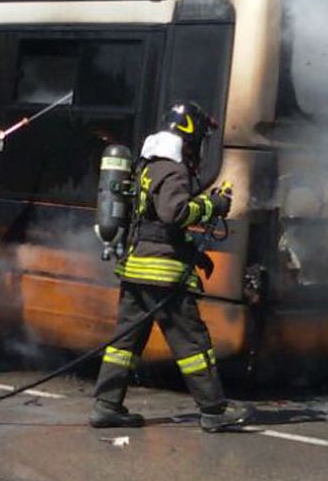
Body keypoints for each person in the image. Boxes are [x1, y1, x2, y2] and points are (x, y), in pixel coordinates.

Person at [89, 102, 252, 432]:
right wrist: (213, 205)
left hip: (138, 267)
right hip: (163, 274)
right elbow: (173, 213)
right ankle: (214, 410)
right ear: (188, 135)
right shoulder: (174, 170)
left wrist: (193, 250)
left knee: (125, 343)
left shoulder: (149, 165)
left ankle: (106, 405)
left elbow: (154, 223)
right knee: (193, 344)